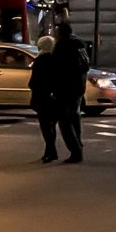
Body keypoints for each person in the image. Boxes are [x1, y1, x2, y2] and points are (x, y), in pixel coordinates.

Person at [49, 22, 90, 163]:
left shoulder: (62, 45)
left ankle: (75, 150)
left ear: (61, 32)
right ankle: (78, 145)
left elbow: (57, 69)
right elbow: (85, 66)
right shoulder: (79, 44)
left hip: (65, 89)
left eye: (56, 31)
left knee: (64, 121)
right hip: (78, 87)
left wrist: (54, 88)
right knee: (74, 118)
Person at [30, 35, 64, 163]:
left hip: (42, 97)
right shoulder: (57, 60)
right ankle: (50, 151)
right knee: (52, 125)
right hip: (55, 97)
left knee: (45, 126)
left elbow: (34, 81)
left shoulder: (40, 61)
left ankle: (51, 150)